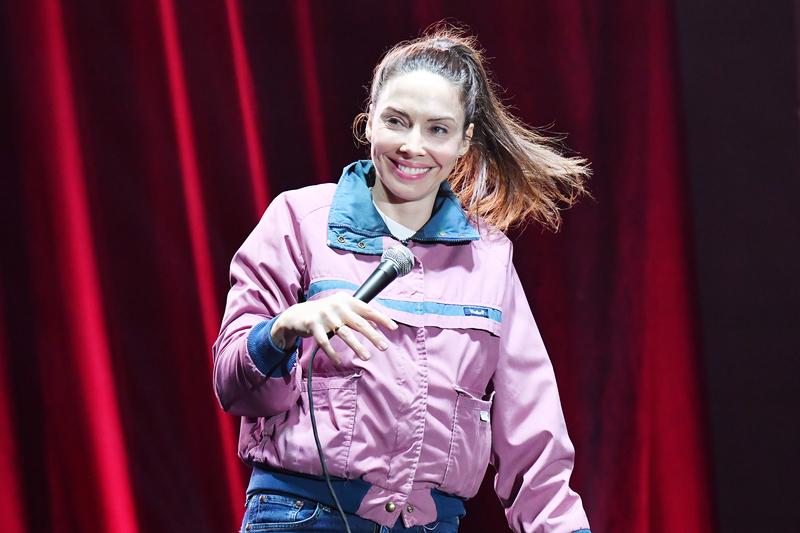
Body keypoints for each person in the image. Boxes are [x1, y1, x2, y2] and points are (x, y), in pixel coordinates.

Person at [213, 26, 592, 533]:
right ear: (368, 122)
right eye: (397, 121)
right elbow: (234, 387)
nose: (413, 146)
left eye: (438, 129)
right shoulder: (298, 219)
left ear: (464, 141)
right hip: (300, 518)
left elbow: (534, 441)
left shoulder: (490, 258)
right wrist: (284, 328)